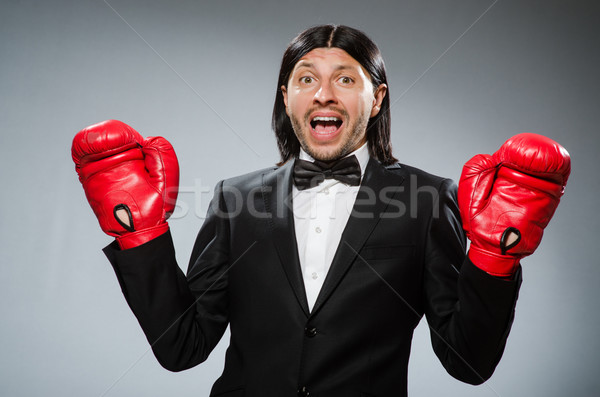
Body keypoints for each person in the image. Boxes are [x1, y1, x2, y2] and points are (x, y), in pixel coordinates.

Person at [71, 25, 570, 397]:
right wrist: (140, 236)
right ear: (287, 98)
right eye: (305, 78)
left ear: (376, 99)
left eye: (345, 79)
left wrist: (493, 258)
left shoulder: (429, 199)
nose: (324, 93)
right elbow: (183, 347)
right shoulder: (233, 199)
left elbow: (468, 363)